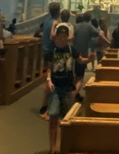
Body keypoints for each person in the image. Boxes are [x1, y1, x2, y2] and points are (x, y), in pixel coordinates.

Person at [45, 23, 94, 154]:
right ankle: (53, 147)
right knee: (53, 116)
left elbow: (80, 60)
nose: (62, 38)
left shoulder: (72, 50)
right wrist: (48, 80)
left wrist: (89, 60)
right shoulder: (51, 51)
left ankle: (63, 146)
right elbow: (48, 68)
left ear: (67, 37)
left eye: (64, 36)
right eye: (60, 36)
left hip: (67, 87)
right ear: (56, 37)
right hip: (55, 87)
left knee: (65, 118)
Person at [73, 12, 108, 97]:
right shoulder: (89, 26)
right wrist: (108, 42)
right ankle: (73, 95)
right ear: (89, 19)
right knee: (80, 77)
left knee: (76, 75)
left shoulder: (75, 26)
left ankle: (75, 93)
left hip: (73, 52)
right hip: (82, 53)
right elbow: (99, 34)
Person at [39, 2, 61, 117]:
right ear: (58, 11)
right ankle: (45, 109)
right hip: (51, 52)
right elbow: (53, 37)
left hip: (45, 51)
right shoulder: (54, 22)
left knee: (48, 78)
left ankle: (45, 106)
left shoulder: (47, 20)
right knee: (50, 79)